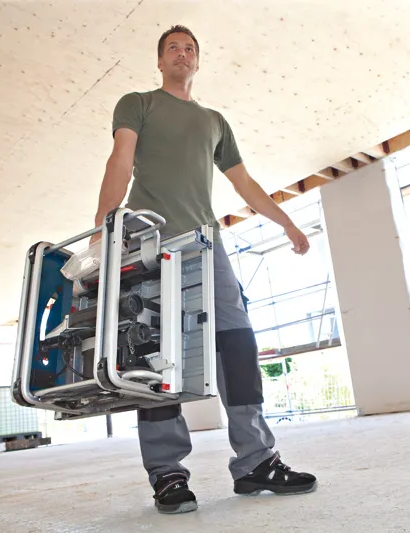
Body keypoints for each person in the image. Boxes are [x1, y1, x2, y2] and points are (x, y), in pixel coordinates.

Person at [91, 24, 318, 514]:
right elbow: (120, 161)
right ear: (159, 61)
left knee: (237, 341)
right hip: (149, 240)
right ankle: (168, 472)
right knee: (152, 352)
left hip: (207, 243)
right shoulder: (138, 103)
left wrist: (287, 223)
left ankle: (256, 460)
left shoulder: (215, 121)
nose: (182, 53)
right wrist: (104, 229)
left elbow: (246, 184)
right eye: (172, 47)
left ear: (198, 62)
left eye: (189, 48)